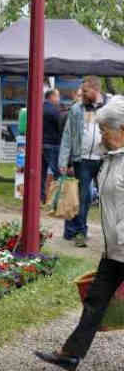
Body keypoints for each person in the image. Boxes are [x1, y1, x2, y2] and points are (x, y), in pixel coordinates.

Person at [35, 96, 124, 371]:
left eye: (105, 129)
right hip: (114, 249)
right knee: (96, 300)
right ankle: (71, 355)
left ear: (122, 129)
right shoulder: (110, 159)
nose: (101, 134)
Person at [59, 75, 108, 247]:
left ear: (96, 89)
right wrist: (63, 161)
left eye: (85, 91)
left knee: (109, 197)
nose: (82, 94)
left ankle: (112, 235)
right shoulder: (76, 109)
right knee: (83, 197)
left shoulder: (110, 106)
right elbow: (67, 136)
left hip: (105, 159)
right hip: (83, 161)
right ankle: (81, 232)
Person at [41, 89, 62, 203]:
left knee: (42, 172)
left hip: (41, 144)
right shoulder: (54, 111)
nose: (59, 99)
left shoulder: (40, 108)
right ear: (52, 97)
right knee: (57, 172)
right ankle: (59, 197)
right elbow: (59, 127)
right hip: (53, 144)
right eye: (58, 96)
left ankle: (41, 197)